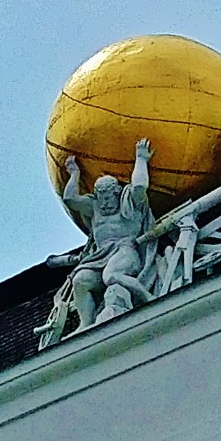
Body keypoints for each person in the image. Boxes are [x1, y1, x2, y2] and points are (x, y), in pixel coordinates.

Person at [46, 138, 158, 333]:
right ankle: (86, 324)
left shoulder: (129, 204)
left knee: (112, 276)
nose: (105, 205)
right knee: (80, 281)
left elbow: (140, 187)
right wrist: (75, 173)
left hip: (125, 251)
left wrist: (141, 159)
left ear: (117, 194)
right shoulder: (94, 207)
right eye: (102, 200)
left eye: (109, 199)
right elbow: (70, 199)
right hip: (99, 257)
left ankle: (147, 297)